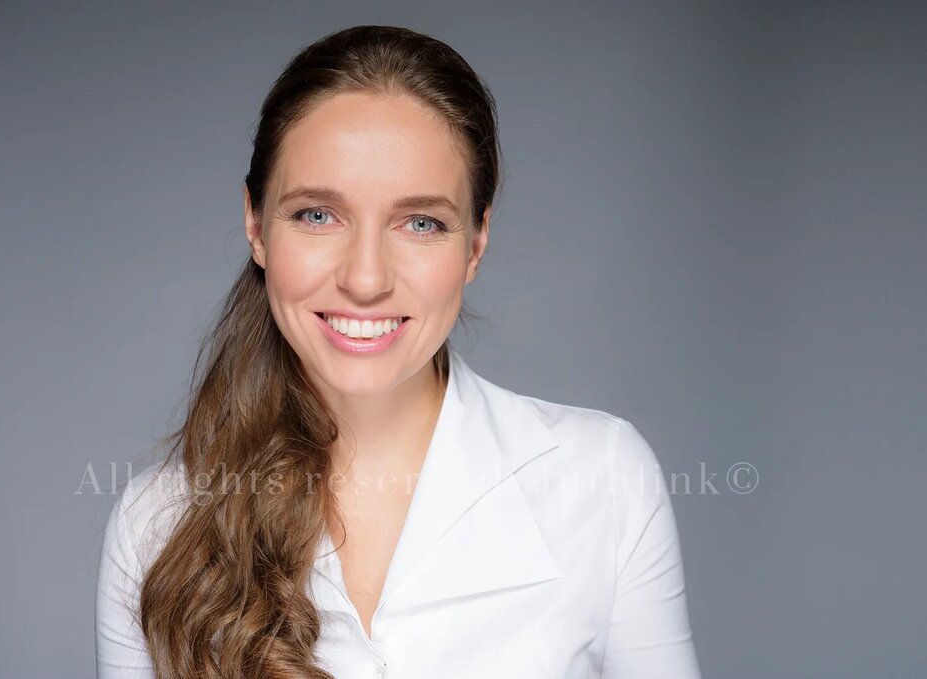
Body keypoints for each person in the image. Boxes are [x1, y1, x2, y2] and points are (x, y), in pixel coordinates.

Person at [95, 24, 702, 679]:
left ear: (475, 243)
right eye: (317, 215)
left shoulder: (604, 481)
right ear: (256, 224)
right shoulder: (158, 524)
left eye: (420, 223)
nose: (365, 279)